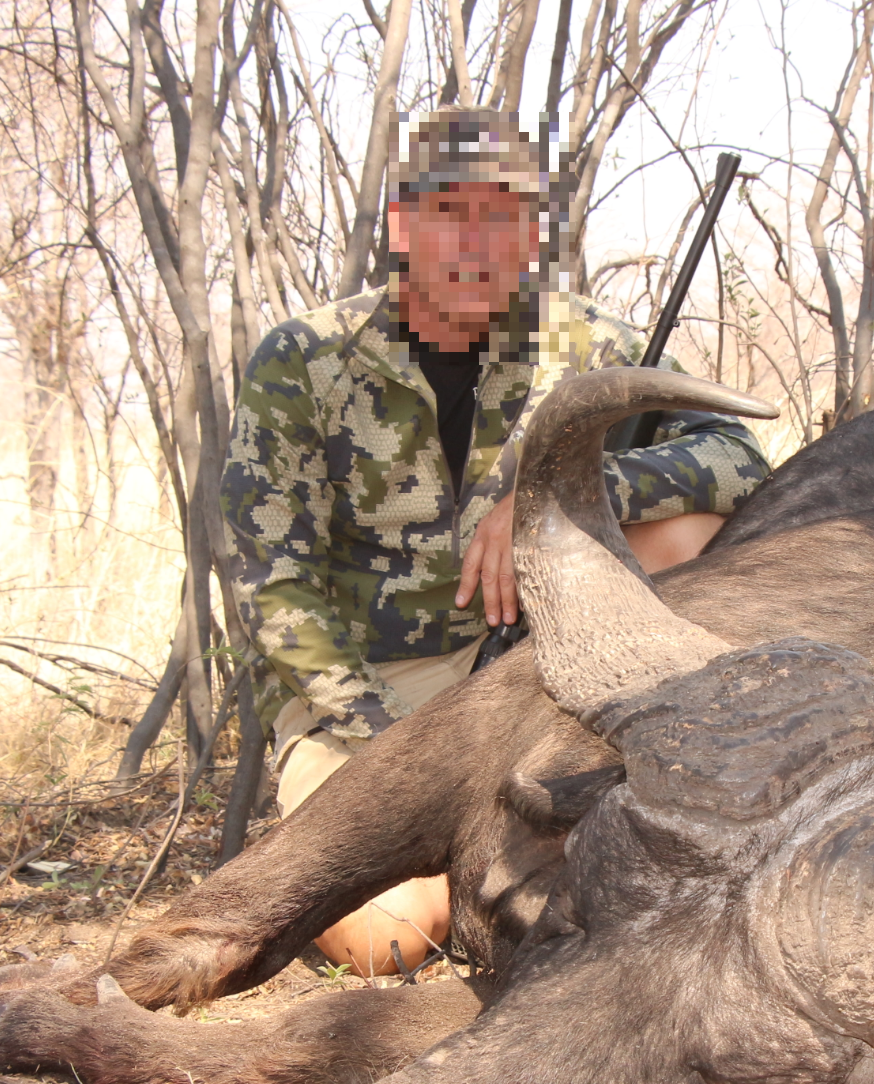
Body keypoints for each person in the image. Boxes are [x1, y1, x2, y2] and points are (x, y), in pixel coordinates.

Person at [221, 106, 771, 977]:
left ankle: (635, 778)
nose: (477, 242)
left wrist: (567, 492)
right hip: (370, 693)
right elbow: (272, 585)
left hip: (531, 672)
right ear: (405, 224)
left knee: (694, 529)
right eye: (452, 214)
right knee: (393, 937)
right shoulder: (305, 358)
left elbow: (739, 456)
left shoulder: (584, 341)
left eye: (504, 217)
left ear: (529, 237)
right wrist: (398, 759)